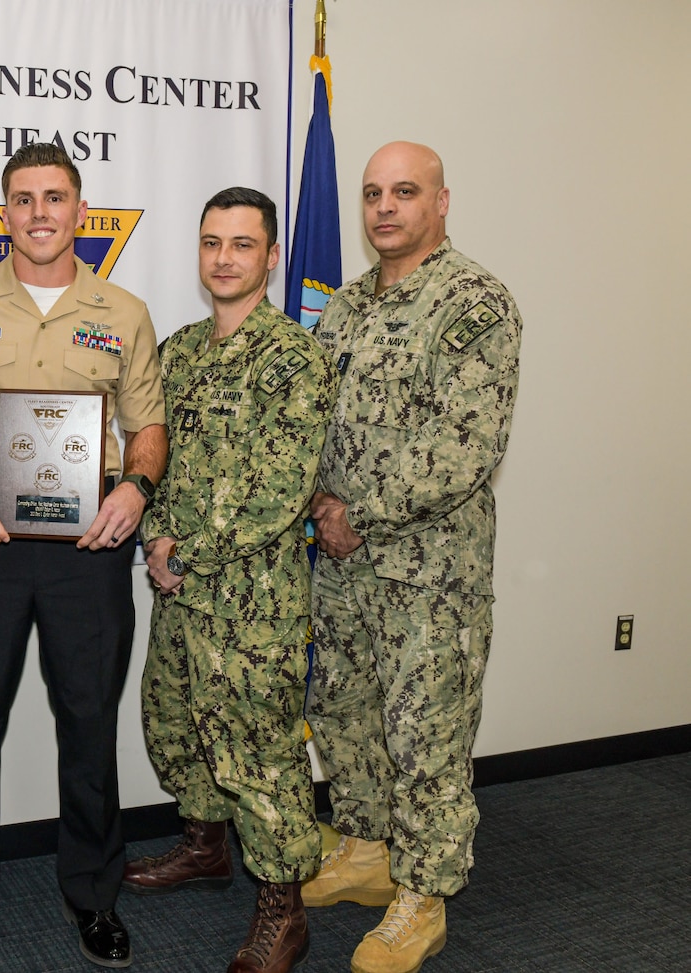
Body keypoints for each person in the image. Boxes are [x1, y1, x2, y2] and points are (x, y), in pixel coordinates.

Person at [0, 142, 167, 969]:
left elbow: (151, 426)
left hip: (89, 542)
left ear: (79, 211)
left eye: (54, 197)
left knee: (90, 727)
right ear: (4, 213)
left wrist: (134, 489)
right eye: (23, 198)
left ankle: (94, 896)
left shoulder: (124, 311)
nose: (39, 213)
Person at [302, 142, 522, 973]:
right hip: (346, 566)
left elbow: (466, 446)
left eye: (403, 191)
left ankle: (424, 893)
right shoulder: (347, 308)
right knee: (346, 709)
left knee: (426, 730)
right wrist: (322, 505)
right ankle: (365, 848)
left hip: (429, 573)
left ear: (441, 201)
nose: (384, 206)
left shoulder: (474, 303)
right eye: (371, 193)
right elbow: (320, 423)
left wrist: (358, 509)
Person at [125, 188, 337, 973]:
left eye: (242, 244)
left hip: (253, 601)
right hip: (179, 591)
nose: (224, 258)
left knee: (260, 752)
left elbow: (282, 490)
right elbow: (148, 457)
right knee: (175, 724)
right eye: (212, 243)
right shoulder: (178, 351)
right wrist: (152, 536)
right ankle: (205, 846)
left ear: (272, 256)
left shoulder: (297, 359)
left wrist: (185, 553)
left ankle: (284, 910)